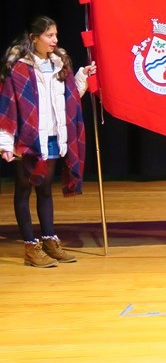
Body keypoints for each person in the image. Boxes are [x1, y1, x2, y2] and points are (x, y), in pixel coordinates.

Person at [0, 16, 96, 268]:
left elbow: (69, 99)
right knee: (24, 189)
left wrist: (81, 77)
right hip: (28, 139)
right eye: (49, 35)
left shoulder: (58, 64)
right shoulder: (19, 68)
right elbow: (8, 108)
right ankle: (31, 247)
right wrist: (5, 143)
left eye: (55, 35)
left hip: (52, 137)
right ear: (34, 38)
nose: (55, 40)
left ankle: (50, 240)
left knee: (44, 189)